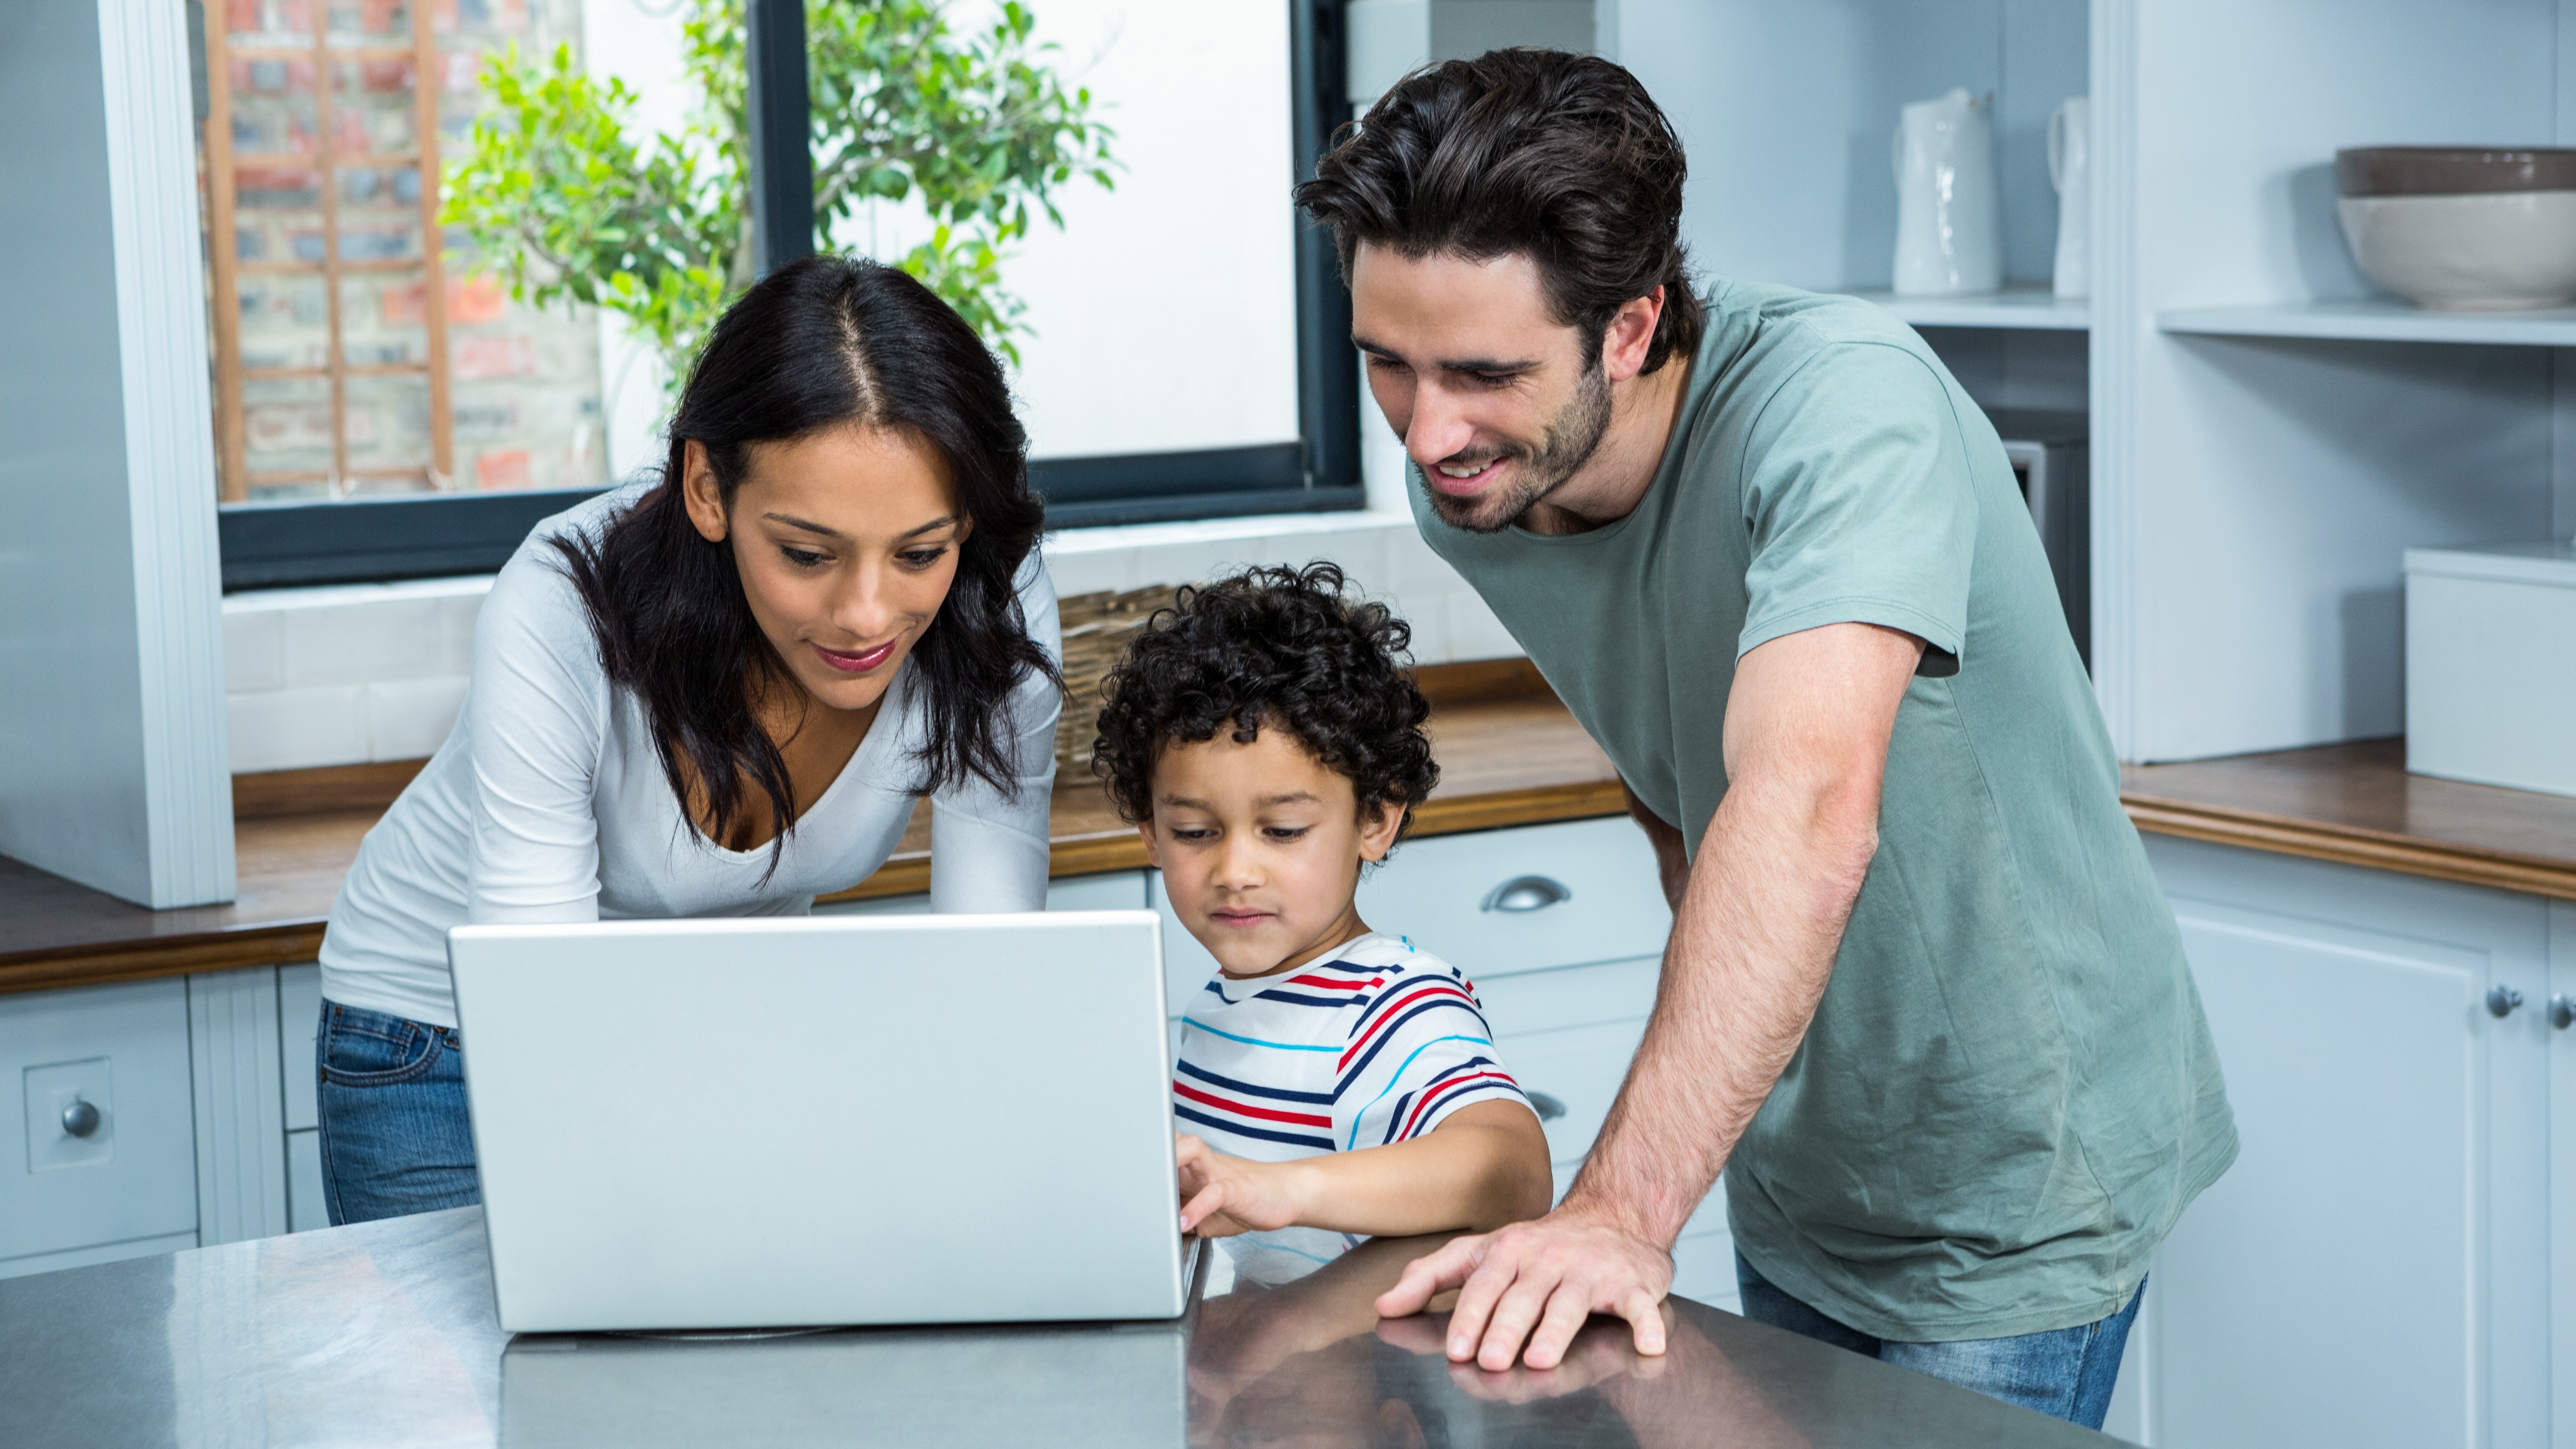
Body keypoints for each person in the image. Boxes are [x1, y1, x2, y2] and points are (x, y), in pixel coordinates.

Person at [1294, 50, 2236, 1429]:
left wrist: (1617, 1206)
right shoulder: (1486, 477)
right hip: (1794, 1159)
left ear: (1631, 327)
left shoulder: (1843, 412)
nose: (1430, 432)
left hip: (2016, 1164)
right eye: (1389, 363)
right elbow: (1666, 747)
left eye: (1485, 372)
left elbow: (1800, 803)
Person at [313, 256, 1063, 1224]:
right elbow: (539, 1012)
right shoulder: (562, 605)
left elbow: (991, 971)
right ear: (707, 488)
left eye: (919, 552)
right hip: (441, 1038)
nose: (867, 614)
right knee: (519, 1363)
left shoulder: (993, 605)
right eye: (807, 554)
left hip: (721, 1025)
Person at [1088, 564, 1553, 1262]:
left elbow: (1512, 1169)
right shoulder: (1217, 1007)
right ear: (1151, 834)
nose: (1235, 872)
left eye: (1282, 832)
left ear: (1375, 820)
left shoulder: (1391, 1002)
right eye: (1194, 833)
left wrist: (1286, 1189)